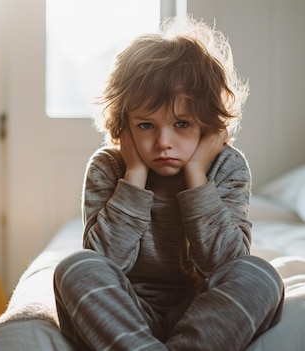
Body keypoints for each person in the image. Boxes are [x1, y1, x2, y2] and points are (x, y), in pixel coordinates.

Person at [53, 16, 284, 351]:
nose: (164, 141)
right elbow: (106, 260)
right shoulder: (108, 167)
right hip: (124, 311)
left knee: (260, 275)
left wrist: (196, 175)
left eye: (181, 123)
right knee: (75, 267)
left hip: (201, 312)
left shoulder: (226, 167)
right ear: (123, 127)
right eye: (146, 125)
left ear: (207, 125)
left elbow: (225, 263)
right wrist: (133, 176)